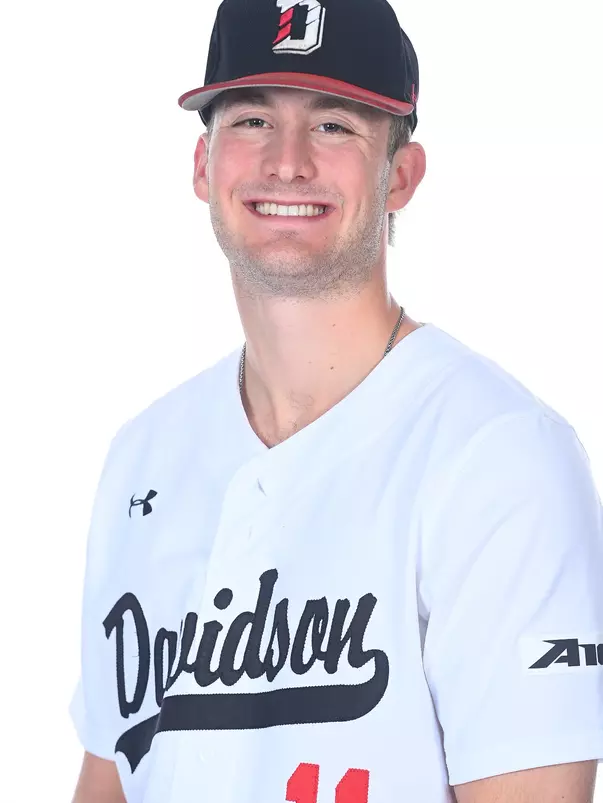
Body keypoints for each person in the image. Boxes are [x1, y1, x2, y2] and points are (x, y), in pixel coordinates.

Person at [70, 0, 603, 801]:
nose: (286, 162)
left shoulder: (499, 455)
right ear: (201, 165)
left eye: (334, 127)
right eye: (251, 119)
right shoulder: (144, 451)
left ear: (401, 174)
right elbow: (109, 774)